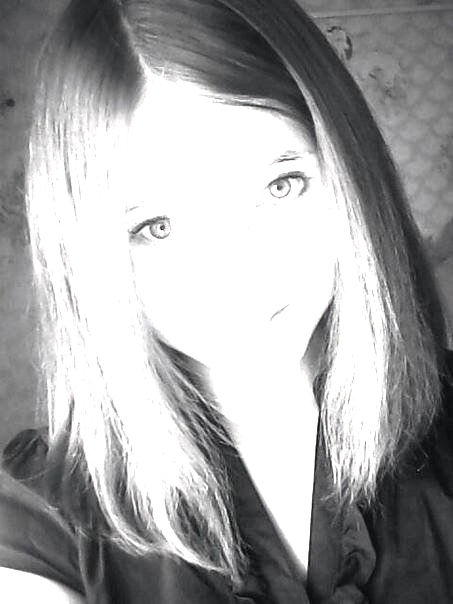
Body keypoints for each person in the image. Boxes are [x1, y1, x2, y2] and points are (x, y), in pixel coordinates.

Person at [0, 0, 452, 601]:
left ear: (350, 178)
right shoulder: (40, 515)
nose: (237, 271)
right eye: (156, 226)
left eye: (280, 186)